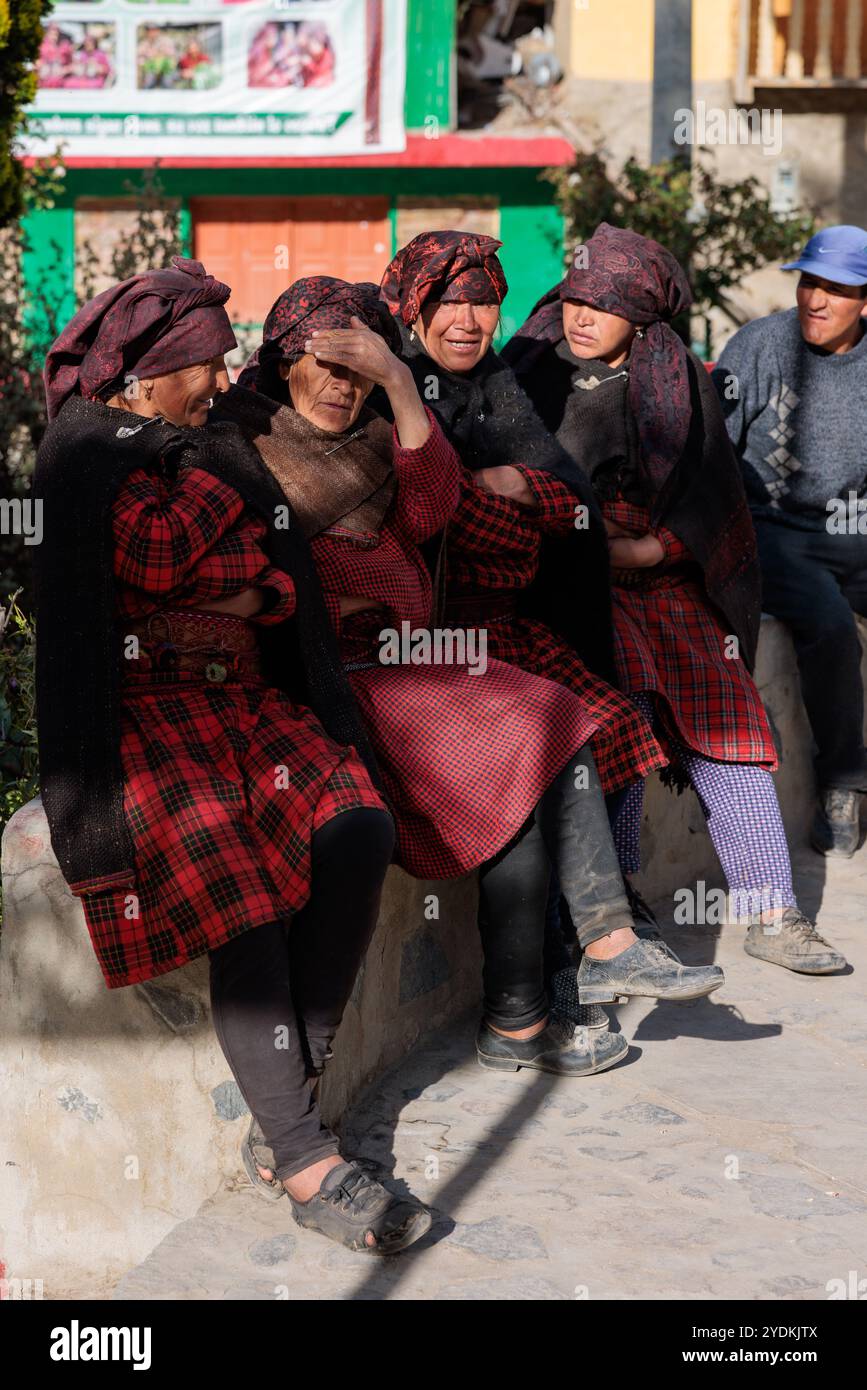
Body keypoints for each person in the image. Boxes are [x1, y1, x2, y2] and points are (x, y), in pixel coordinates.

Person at [221, 275, 724, 1108]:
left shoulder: (379, 437)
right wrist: (326, 603)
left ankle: (522, 1019)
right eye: (329, 366)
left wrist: (395, 380)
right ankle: (594, 951)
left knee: (530, 773)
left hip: (419, 659)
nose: (344, 387)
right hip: (344, 673)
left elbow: (432, 505)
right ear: (282, 364)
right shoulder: (248, 447)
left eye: (361, 370)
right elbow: (254, 575)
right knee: (534, 714)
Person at [34, 257, 432, 1256]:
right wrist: (217, 554)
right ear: (152, 371)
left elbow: (275, 582)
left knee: (357, 825)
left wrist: (237, 589)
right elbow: (158, 558)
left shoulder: (198, 446)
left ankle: (286, 1094)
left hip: (246, 701)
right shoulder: (85, 454)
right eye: (206, 366)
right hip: (144, 715)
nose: (222, 384)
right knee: (242, 898)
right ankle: (304, 1158)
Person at [505, 222, 847, 978]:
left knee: (730, 723)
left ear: (644, 314)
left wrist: (656, 551)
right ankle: (622, 911)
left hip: (665, 583)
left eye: (604, 304)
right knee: (622, 710)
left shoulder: (681, 381)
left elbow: (713, 501)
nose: (581, 316)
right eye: (575, 298)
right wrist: (591, 548)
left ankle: (771, 910)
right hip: (565, 586)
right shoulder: (528, 372)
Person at [714, 224, 867, 860]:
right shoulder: (759, 346)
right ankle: (844, 782)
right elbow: (709, 449)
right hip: (772, 529)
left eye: (835, 288)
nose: (815, 299)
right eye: (809, 283)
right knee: (829, 626)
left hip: (856, 526)